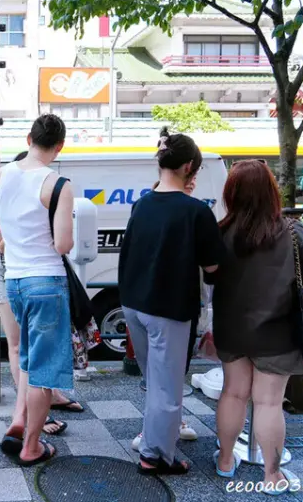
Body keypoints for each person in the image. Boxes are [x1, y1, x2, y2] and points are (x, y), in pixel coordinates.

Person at [208, 160, 303, 494]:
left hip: (231, 328)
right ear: (270, 191)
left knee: (233, 393)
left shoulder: (219, 232)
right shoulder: (292, 232)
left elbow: (208, 275)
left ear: (231, 193)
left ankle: (225, 461)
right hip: (277, 333)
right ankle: (271, 475)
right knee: (268, 403)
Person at [119, 127, 224, 475]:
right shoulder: (196, 212)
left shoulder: (142, 204)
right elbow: (213, 266)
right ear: (189, 166)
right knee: (167, 385)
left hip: (134, 304)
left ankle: (153, 440)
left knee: (154, 379)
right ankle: (155, 455)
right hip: (169, 307)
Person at [0, 114, 73, 467]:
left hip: (13, 281)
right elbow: (63, 245)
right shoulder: (58, 184)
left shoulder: (2, 176)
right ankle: (31, 446)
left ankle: (21, 420)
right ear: (59, 146)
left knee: (27, 358)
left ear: (29, 138)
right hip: (46, 282)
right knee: (43, 371)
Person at [0, 151, 83, 438]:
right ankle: (31, 416)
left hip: (19, 276)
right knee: (20, 346)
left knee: (31, 349)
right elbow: (3, 245)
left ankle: (37, 406)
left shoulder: (36, 196)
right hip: (14, 273)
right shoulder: (0, 200)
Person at [131, 175, 200, 450]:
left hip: (177, 301)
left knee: (171, 370)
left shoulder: (193, 211)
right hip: (160, 302)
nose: (191, 182)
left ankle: (168, 425)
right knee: (158, 371)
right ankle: (153, 435)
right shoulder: (148, 207)